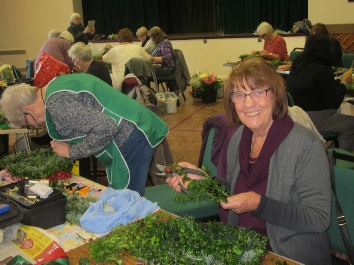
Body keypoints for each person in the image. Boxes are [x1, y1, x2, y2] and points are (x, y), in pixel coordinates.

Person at [167, 57, 331, 264]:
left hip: (286, 253)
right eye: (239, 94)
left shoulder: (304, 145)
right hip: (242, 245)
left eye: (258, 91)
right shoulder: (239, 137)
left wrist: (258, 205)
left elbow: (318, 218)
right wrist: (202, 182)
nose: (248, 103)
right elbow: (233, 192)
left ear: (276, 95)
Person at [0, 74, 168, 196]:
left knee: (127, 201)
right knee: (125, 198)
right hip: (136, 125)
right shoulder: (53, 86)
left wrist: (71, 151)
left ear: (28, 109)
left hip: (131, 136)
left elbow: (105, 127)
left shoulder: (58, 104)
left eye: (28, 123)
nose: (34, 126)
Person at [287, 34, 354, 152]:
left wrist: (337, 82)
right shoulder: (321, 70)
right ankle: (336, 158)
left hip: (297, 117)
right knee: (351, 124)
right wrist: (344, 82)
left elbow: (316, 87)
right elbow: (335, 102)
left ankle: (326, 153)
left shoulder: (297, 66)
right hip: (315, 120)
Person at [147, 26, 179, 92]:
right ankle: (148, 91)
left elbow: (167, 59)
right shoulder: (157, 44)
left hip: (166, 69)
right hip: (160, 67)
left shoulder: (165, 43)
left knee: (145, 72)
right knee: (144, 71)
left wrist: (152, 58)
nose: (151, 39)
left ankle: (148, 92)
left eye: (152, 37)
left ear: (156, 36)